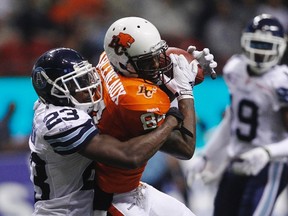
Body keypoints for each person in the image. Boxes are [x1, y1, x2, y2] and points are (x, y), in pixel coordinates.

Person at [29, 47, 188, 216]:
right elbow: (129, 156)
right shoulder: (58, 120)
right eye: (77, 83)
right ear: (55, 91)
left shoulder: (64, 106)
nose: (88, 86)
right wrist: (170, 121)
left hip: (96, 202)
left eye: (85, 78)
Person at [92, 16, 217, 216]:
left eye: (157, 55)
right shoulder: (133, 100)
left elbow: (144, 71)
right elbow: (185, 147)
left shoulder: (109, 59)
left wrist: (187, 61)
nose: (157, 63)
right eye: (149, 61)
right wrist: (185, 90)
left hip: (132, 187)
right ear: (126, 64)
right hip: (114, 196)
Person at [187, 14, 288, 216]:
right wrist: (208, 155)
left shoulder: (281, 82)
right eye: (256, 43)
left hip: (270, 166)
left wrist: (266, 152)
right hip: (237, 159)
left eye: (267, 46)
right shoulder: (236, 68)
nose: (260, 52)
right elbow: (232, 119)